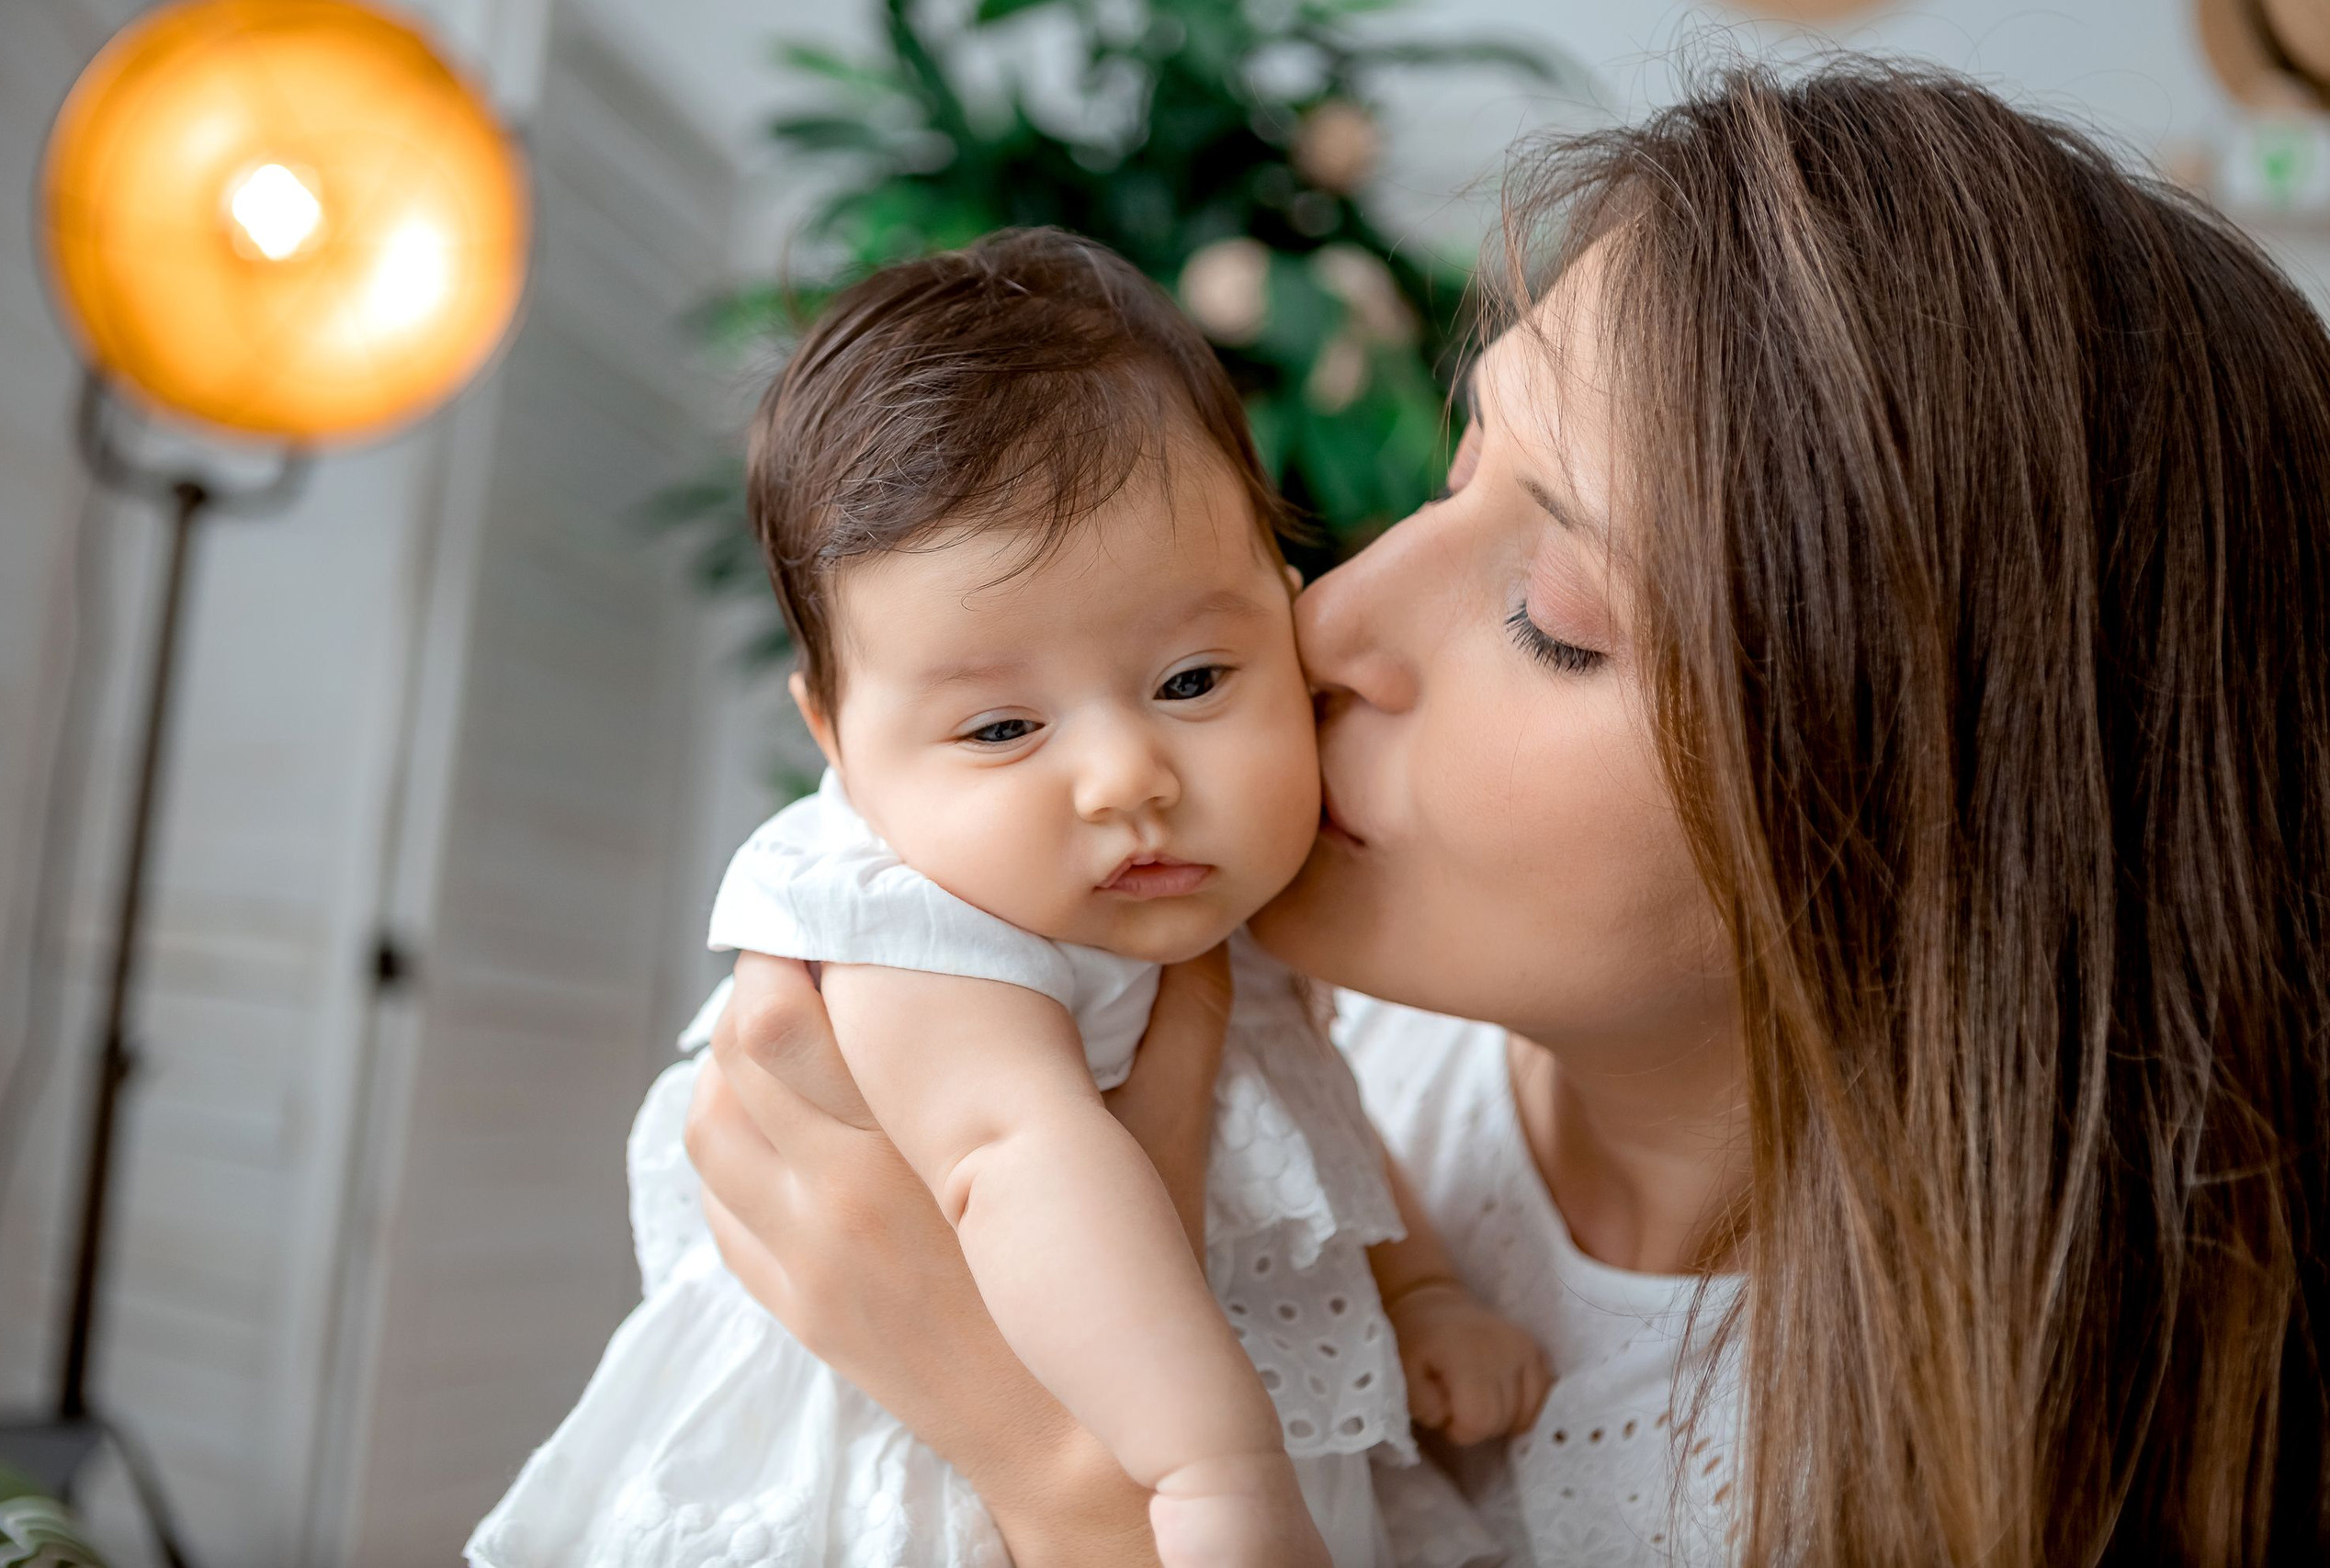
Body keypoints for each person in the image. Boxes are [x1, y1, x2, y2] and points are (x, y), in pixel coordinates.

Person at [684, 61, 2330, 1567]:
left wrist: (1073, 1485)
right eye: (1456, 473)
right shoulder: (1320, 1010)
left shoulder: (1946, 1489)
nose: (1325, 624)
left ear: (1938, 810)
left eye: (1554, 614)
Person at [469, 231, 1545, 1568]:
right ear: (839, 742)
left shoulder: (1197, 906)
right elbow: (1014, 1168)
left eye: (1195, 681)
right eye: (1000, 730)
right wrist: (1209, 1470)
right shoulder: (909, 923)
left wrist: (1419, 1287)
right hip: (944, 1491)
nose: (1123, 778)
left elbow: (1301, 1109)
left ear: (1283, 613)